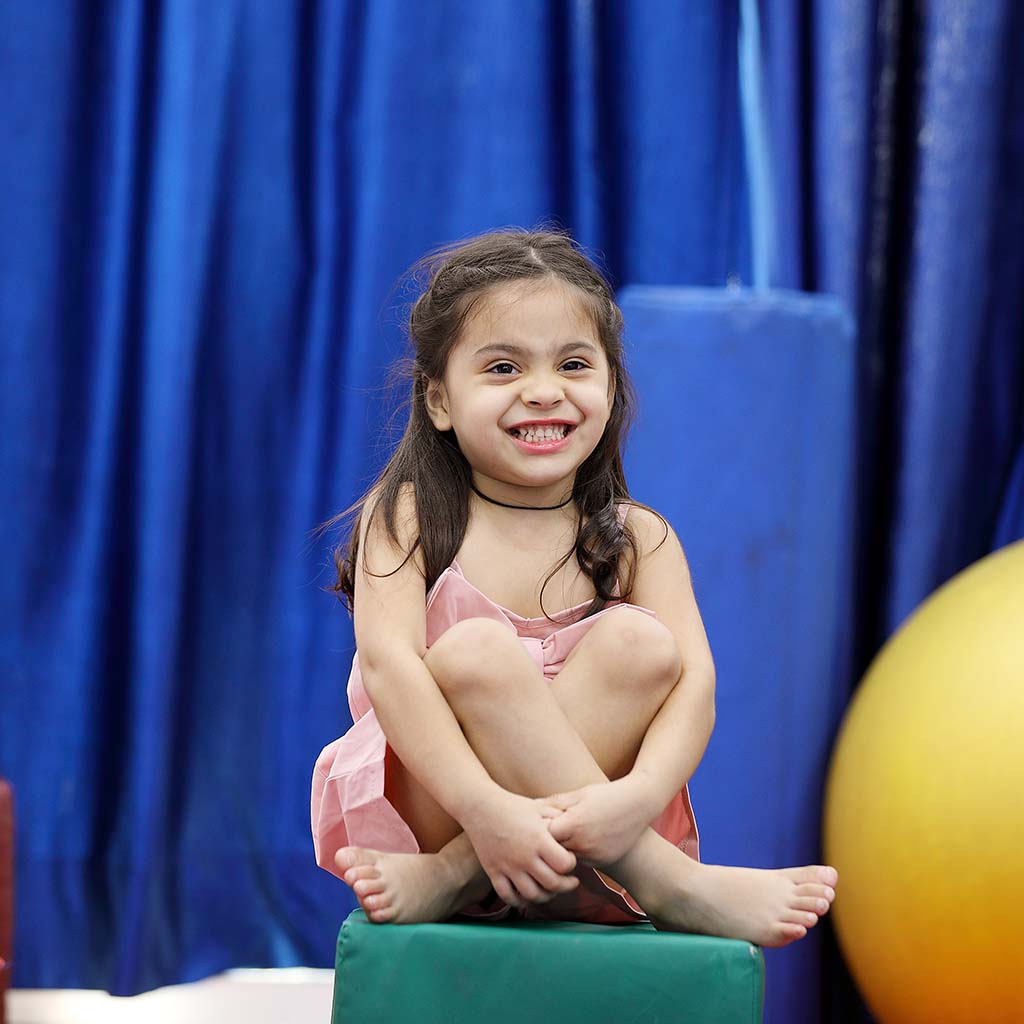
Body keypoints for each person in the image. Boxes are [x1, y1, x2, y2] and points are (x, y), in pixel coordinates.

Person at [311, 226, 838, 947]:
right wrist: (486, 809)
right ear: (439, 401)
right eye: (503, 368)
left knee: (641, 644)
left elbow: (695, 685)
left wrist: (639, 797)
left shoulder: (637, 537)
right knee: (474, 652)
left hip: (598, 835)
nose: (542, 391)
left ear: (610, 387)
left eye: (573, 364)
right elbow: (388, 666)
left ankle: (459, 876)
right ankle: (664, 879)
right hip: (446, 805)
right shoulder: (410, 514)